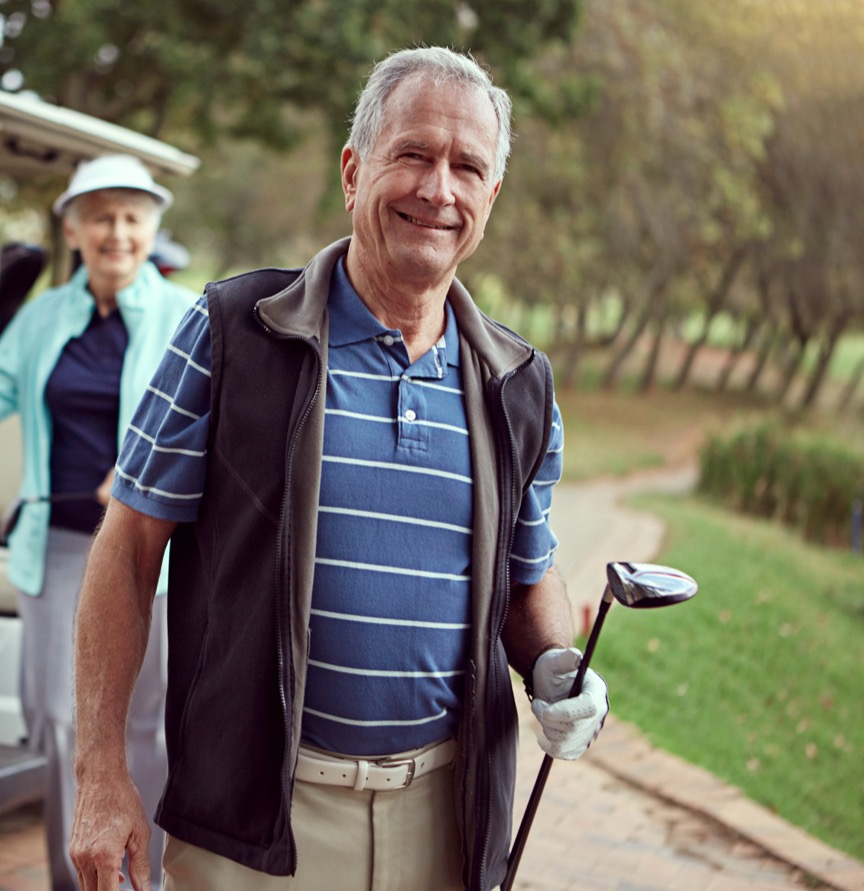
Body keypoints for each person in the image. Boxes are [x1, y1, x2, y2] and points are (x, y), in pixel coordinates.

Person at [69, 47, 609, 891]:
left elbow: (527, 573)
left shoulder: (519, 384)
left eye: (468, 167)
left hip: (445, 823)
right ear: (354, 172)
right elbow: (128, 549)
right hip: (255, 828)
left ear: (490, 198)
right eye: (414, 155)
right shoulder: (234, 331)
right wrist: (99, 773)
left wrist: (553, 669)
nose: (439, 189)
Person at [0, 154, 197, 891]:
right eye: (100, 216)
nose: (118, 232)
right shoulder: (42, 321)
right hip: (58, 549)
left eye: (133, 216)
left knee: (146, 730)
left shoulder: (187, 317)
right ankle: (80, 882)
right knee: (64, 728)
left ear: (154, 226)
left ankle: (148, 882)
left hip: (149, 554)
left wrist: (141, 468)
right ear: (72, 227)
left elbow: (221, 432)